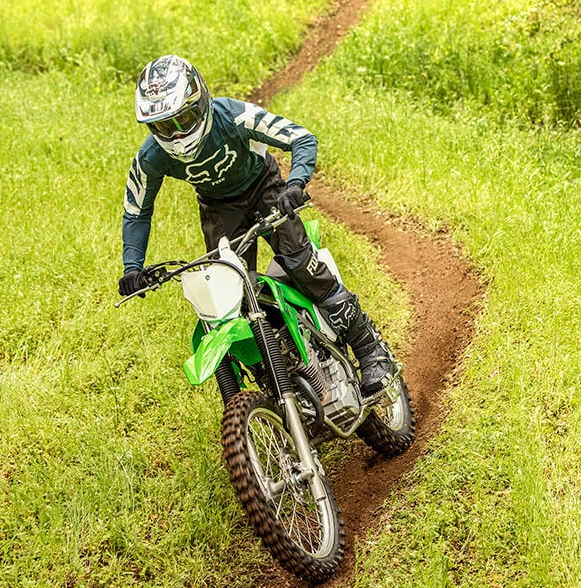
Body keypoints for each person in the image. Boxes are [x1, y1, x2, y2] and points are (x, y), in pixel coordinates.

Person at [118, 54, 393, 396]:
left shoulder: (233, 116)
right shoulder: (151, 157)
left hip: (265, 188)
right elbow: (137, 209)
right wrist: (133, 268)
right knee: (228, 301)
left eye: (184, 118)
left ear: (200, 101)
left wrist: (295, 184)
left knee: (300, 266)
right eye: (163, 126)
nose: (175, 133)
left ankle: (371, 351)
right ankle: (281, 380)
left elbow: (301, 138)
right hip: (219, 209)